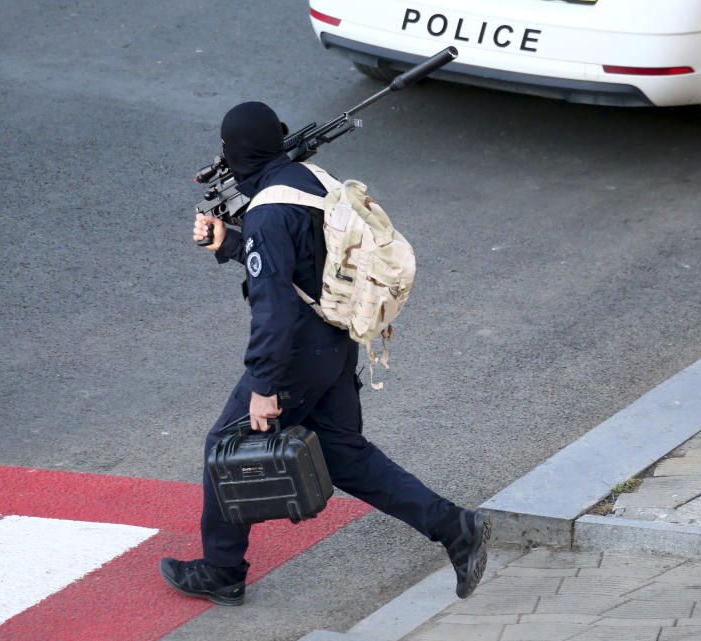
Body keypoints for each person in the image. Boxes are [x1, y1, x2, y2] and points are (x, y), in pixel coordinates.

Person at [160, 102, 490, 606]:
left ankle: (222, 569)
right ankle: (455, 527)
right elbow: (304, 260)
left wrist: (264, 388)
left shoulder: (268, 212)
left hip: (296, 350)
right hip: (335, 337)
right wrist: (231, 245)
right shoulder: (308, 178)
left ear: (237, 150)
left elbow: (273, 308)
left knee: (222, 446)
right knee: (343, 454)